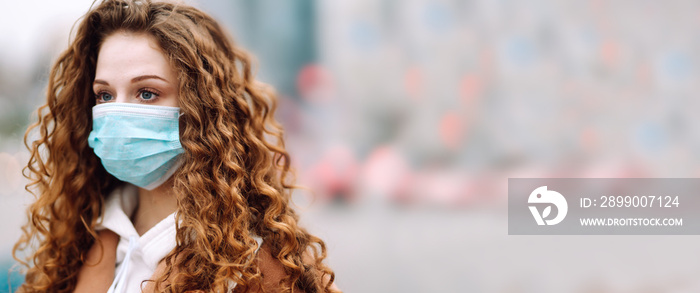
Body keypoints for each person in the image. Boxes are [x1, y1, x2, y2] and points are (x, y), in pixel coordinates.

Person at [12, 0, 340, 292]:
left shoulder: (263, 267)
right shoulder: (81, 238)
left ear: (202, 108)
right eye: (105, 95)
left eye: (147, 93)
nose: (118, 112)